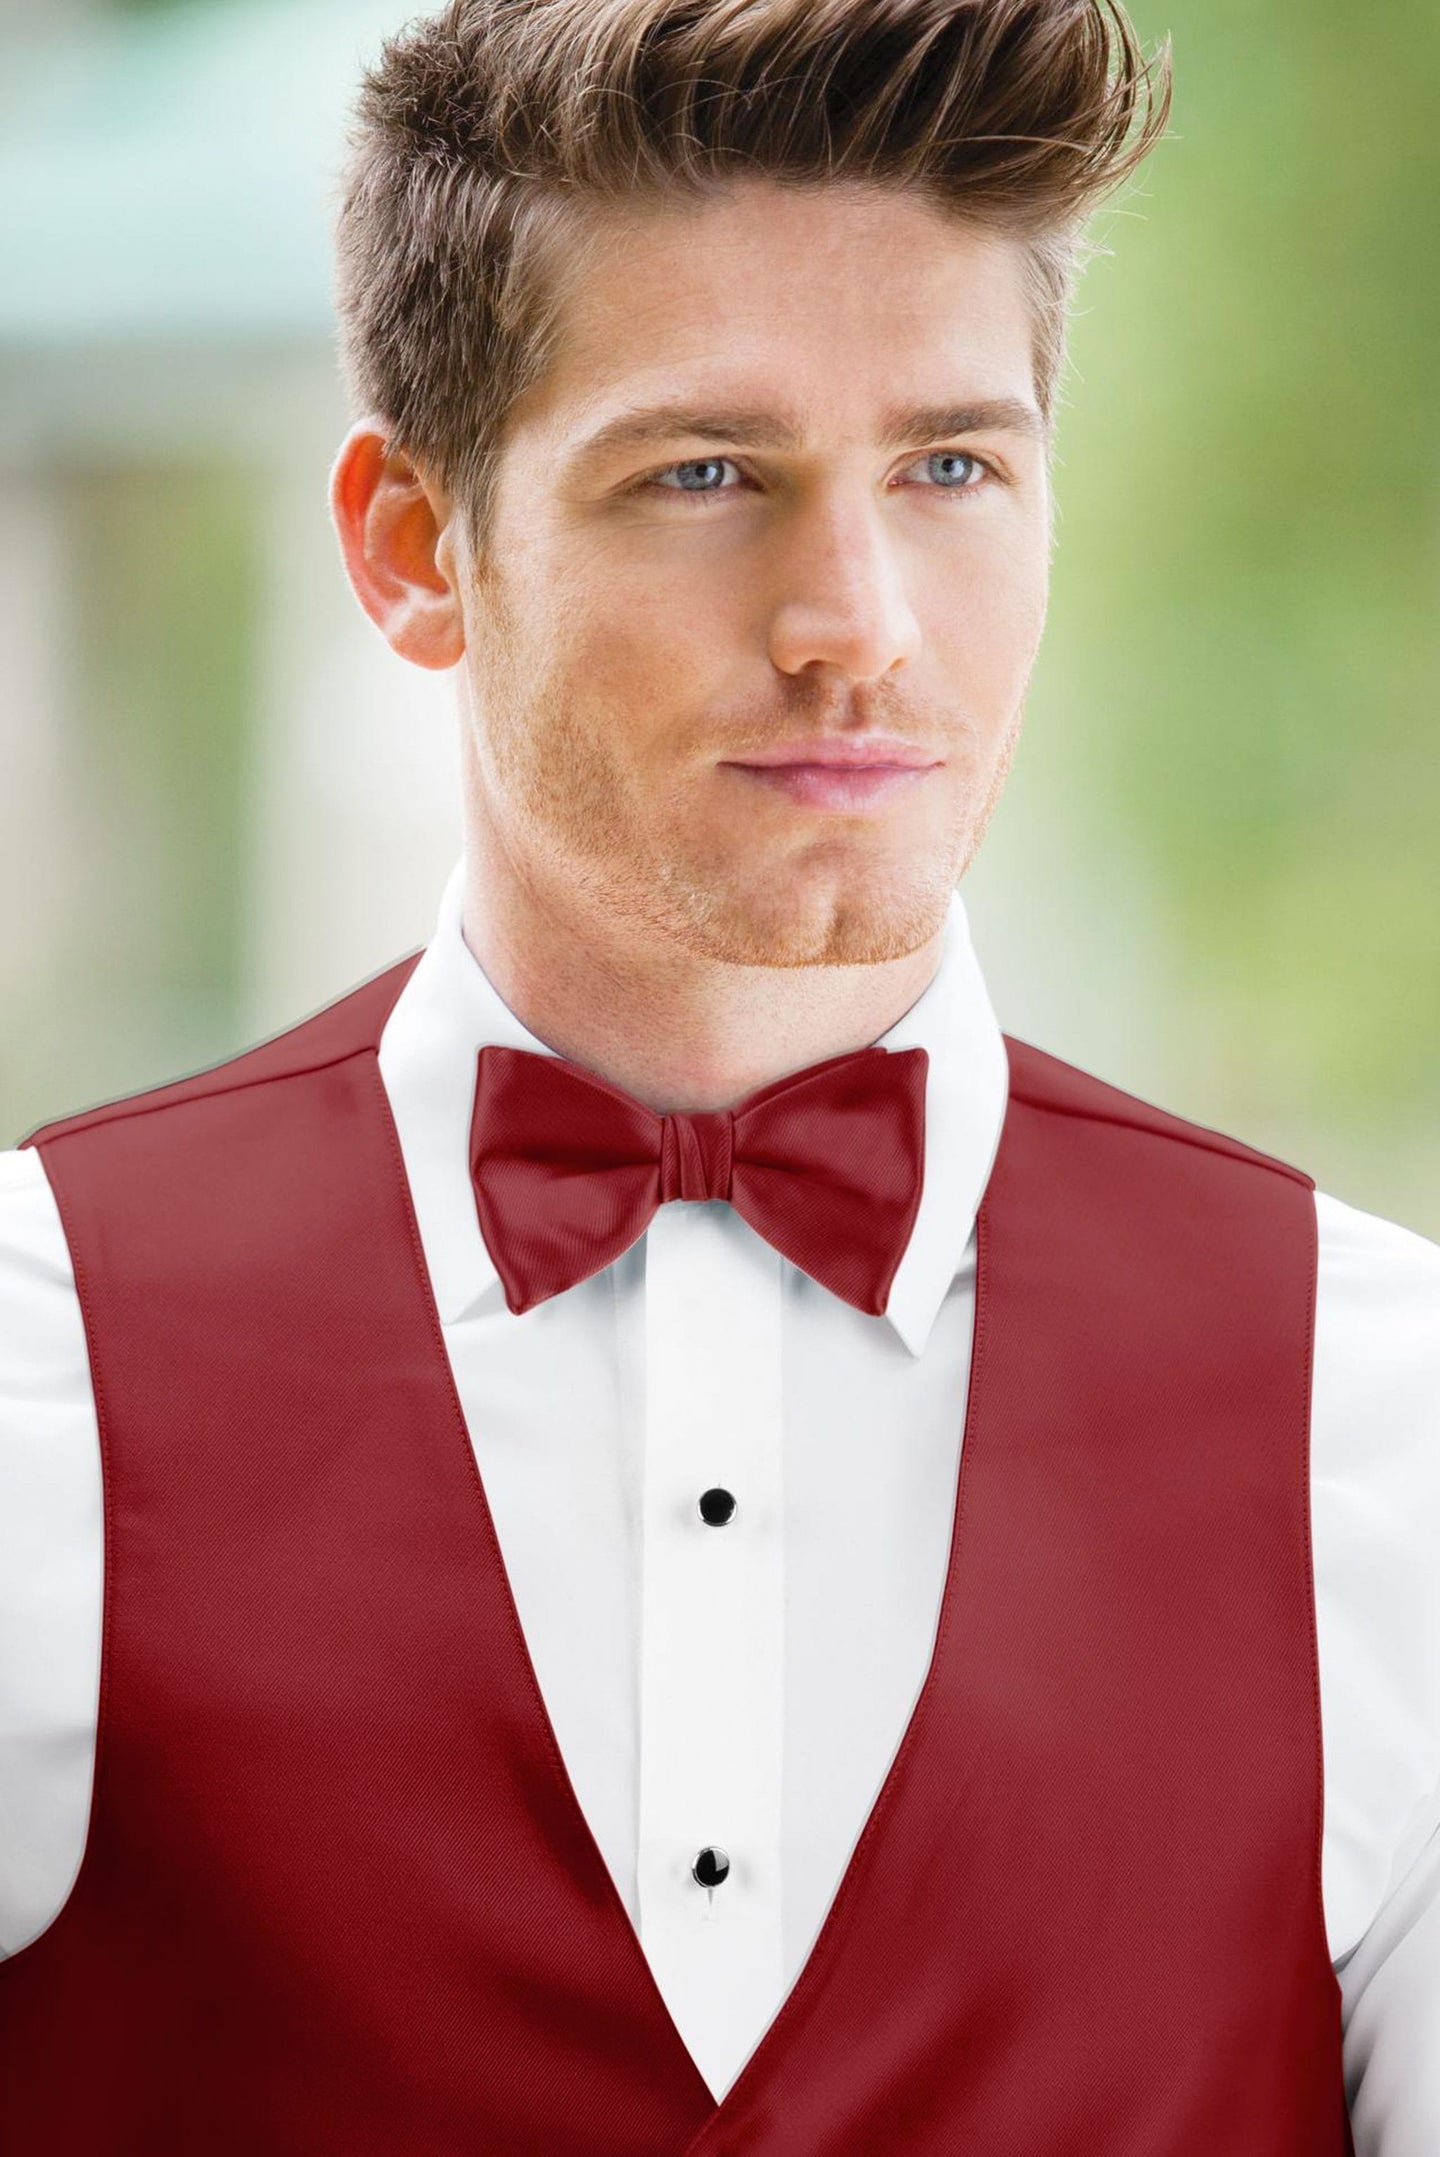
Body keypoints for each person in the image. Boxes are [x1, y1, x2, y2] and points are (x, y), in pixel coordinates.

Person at [0, 0, 1435, 2147]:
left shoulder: (1391, 1417)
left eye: (951, 465)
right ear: (412, 546)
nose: (856, 617)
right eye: (705, 474)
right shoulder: (30, 1369)